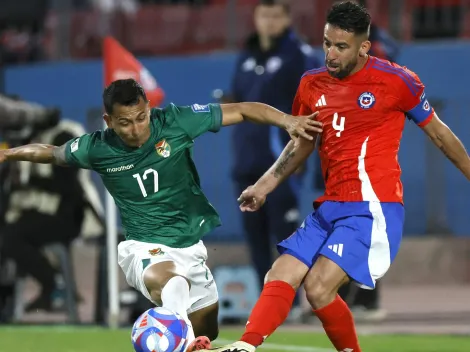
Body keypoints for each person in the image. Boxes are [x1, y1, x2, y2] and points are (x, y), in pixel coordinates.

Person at [201, 2, 470, 352]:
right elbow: (301, 144)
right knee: (279, 273)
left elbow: (439, 134)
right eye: (327, 43)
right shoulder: (311, 84)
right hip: (329, 206)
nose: (331, 53)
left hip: (373, 207)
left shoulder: (397, 81)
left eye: (341, 46)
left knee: (318, 286)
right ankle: (246, 347)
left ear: (363, 47)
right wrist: (264, 185)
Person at [0, 79, 322, 351]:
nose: (136, 128)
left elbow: (241, 109)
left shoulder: (175, 123)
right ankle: (170, 328)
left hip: (189, 246)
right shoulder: (96, 147)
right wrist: (7, 154)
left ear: (148, 109)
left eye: (141, 117)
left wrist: (288, 121)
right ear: (109, 121)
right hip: (143, 246)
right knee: (170, 278)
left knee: (208, 333)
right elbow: (52, 153)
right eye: (124, 122)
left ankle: (179, 331)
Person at [225, 0, 321, 311]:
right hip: (246, 161)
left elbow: (312, 109)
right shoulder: (246, 56)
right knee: (254, 238)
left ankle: (290, 304)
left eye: (275, 16)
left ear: (286, 19)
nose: (268, 22)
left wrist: (300, 158)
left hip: (281, 163)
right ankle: (266, 303)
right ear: (255, 17)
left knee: (285, 234)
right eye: (263, 15)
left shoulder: (299, 56)